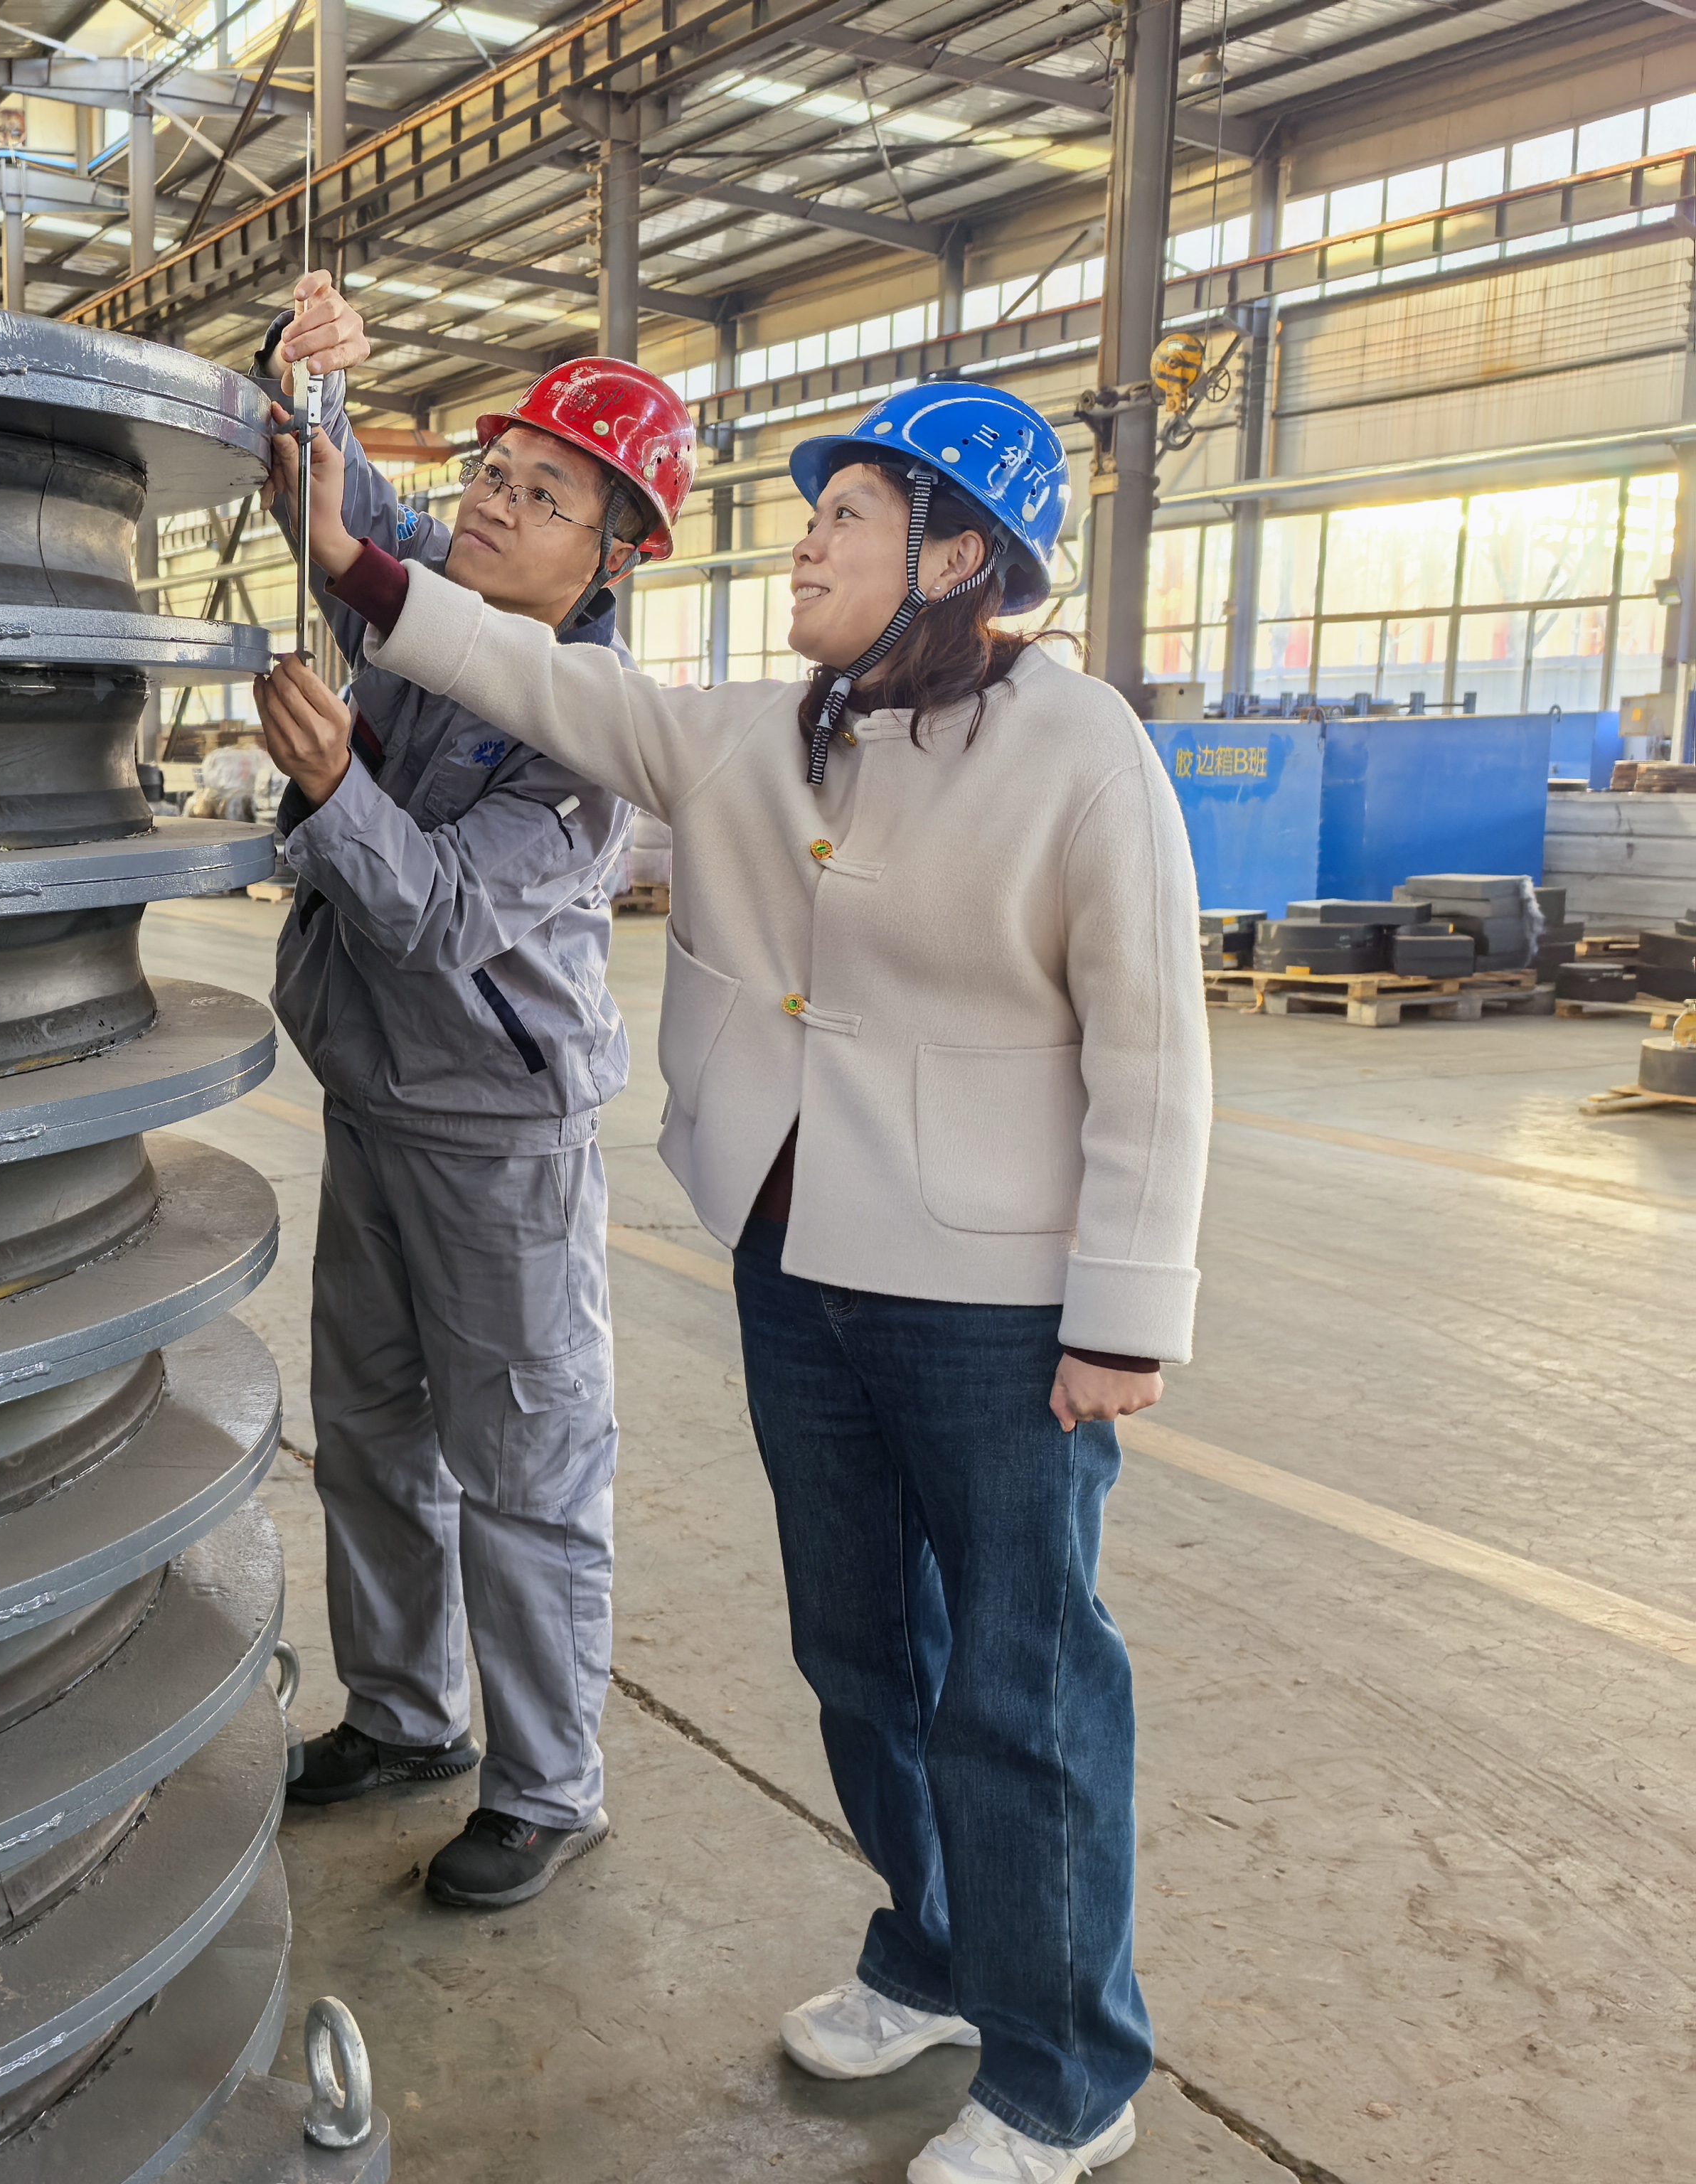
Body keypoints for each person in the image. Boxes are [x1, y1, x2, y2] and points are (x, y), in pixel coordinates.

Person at [261, 378, 1210, 2183]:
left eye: (846, 516)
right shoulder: (762, 730)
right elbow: (540, 678)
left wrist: (1121, 1315)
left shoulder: (1077, 750)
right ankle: (931, 1960)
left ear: (954, 556)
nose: (804, 542)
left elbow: (1153, 1044)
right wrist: (359, 567)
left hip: (996, 1303)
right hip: (800, 1264)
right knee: (858, 1655)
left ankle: (1064, 2076)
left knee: (1016, 1691)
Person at [247, 276, 696, 1910]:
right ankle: (403, 1717)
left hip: (499, 1136)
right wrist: (304, 373)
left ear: (612, 555)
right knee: (371, 1436)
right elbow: (332, 500)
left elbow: (434, 913)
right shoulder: (436, 596)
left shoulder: (593, 738)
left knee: (522, 1470)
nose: (496, 505)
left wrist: (330, 782)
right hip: (372, 1097)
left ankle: (549, 1787)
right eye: (494, 473)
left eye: (544, 495)